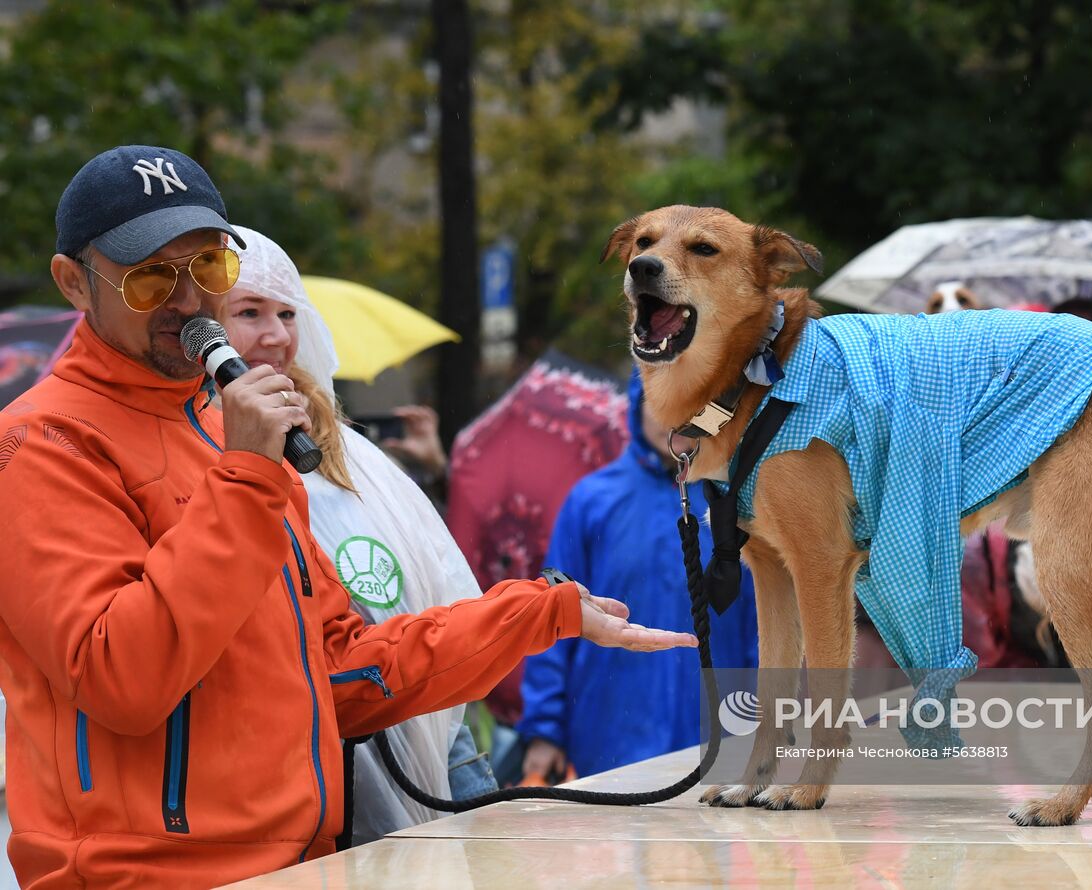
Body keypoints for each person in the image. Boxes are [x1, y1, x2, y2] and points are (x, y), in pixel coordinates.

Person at [0, 144, 696, 888]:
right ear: (74, 282)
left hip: (304, 862)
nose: (187, 301)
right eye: (149, 278)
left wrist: (534, 615)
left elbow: (339, 670)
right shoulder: (40, 444)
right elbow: (121, 677)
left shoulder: (225, 427)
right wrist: (245, 476)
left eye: (207, 268)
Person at [219, 225, 495, 845]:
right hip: (332, 761)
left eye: (287, 313)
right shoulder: (208, 452)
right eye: (249, 313)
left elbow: (437, 571)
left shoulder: (343, 445)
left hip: (442, 735)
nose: (276, 336)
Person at [516, 372, 760, 780]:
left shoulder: (736, 499)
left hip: (718, 735)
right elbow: (552, 616)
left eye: (694, 403)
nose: (680, 418)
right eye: (664, 402)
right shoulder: (591, 501)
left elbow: (765, 623)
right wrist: (544, 732)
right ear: (636, 405)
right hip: (610, 738)